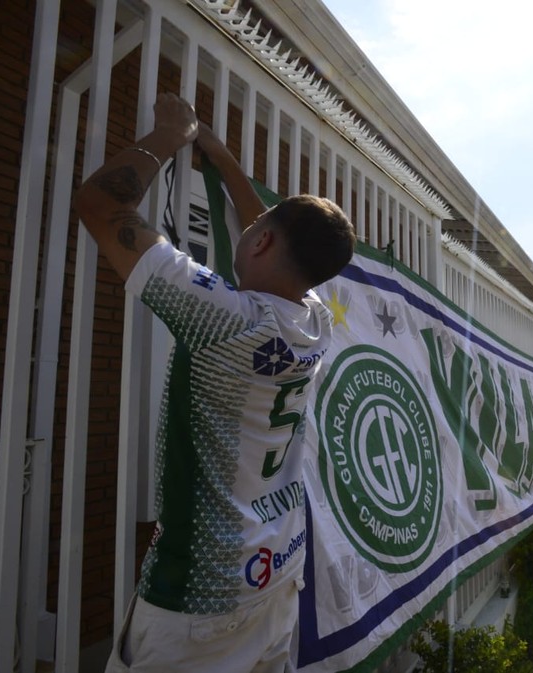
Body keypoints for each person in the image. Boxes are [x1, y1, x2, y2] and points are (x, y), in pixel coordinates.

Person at [75, 94, 356, 672]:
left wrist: (172, 134)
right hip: (277, 578)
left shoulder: (228, 319)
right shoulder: (314, 320)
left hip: (199, 604)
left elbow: (101, 204)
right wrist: (222, 156)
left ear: (260, 244)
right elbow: (269, 235)